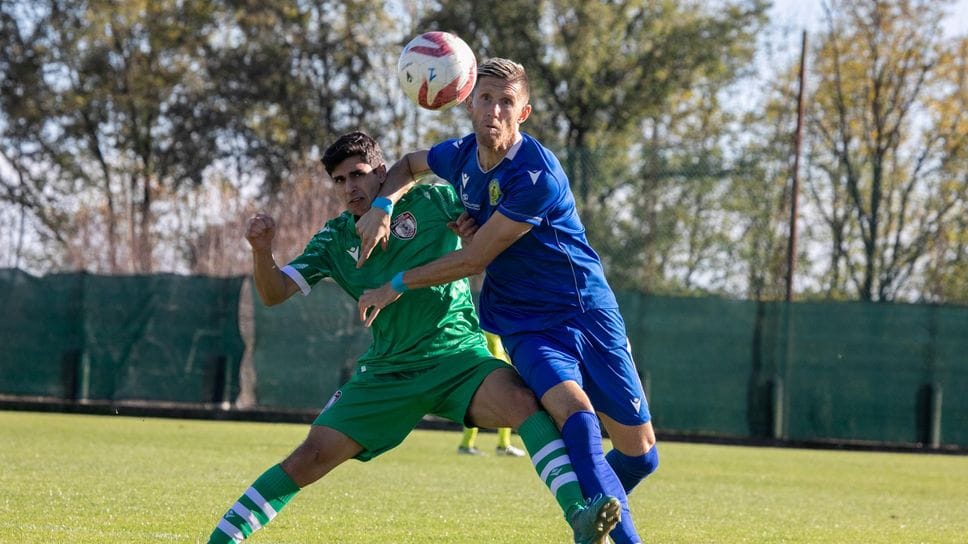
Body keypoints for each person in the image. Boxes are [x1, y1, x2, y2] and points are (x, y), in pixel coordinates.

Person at [205, 131, 621, 544]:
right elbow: (274, 293)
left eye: (358, 174)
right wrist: (261, 250)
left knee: (522, 401)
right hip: (388, 373)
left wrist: (472, 230)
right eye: (339, 180)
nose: (349, 188)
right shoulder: (334, 240)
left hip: (459, 358)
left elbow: (490, 234)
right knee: (308, 457)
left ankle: (580, 517)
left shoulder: (435, 201)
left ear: (381, 173)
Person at [355, 59, 659, 544]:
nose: (494, 110)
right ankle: (602, 528)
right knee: (575, 413)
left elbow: (476, 257)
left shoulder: (535, 174)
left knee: (641, 454)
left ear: (524, 113)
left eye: (506, 102)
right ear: (469, 104)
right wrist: (382, 206)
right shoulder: (458, 157)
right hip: (525, 324)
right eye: (485, 98)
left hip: (587, 310)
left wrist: (397, 283)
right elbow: (410, 164)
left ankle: (592, 511)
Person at [458, 332, 526, 457]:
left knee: (473, 407)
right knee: (506, 408)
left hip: (482, 370)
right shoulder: (492, 328)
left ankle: (466, 444)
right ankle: (503, 445)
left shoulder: (481, 327)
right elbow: (495, 349)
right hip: (494, 371)